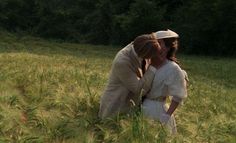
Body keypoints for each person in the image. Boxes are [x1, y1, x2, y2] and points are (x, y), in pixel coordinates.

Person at [98, 34, 161, 119]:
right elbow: (138, 89)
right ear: (145, 54)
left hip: (131, 105)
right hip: (116, 104)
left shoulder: (142, 48)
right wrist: (153, 67)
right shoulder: (122, 61)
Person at [142, 29, 188, 134]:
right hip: (142, 107)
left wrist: (167, 115)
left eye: (160, 43)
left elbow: (178, 95)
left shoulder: (173, 68)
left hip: (157, 109)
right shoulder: (147, 62)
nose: (157, 46)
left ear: (168, 47)